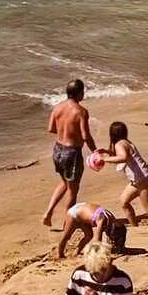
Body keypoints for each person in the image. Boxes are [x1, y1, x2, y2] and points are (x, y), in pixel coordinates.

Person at [43, 80, 98, 228]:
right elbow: (86, 136)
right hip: (72, 152)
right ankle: (68, 223)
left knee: (64, 183)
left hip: (58, 150)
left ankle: (48, 213)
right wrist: (96, 151)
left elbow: (51, 129)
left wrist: (64, 131)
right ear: (79, 93)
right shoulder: (81, 111)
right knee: (73, 191)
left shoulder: (58, 108)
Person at [64, 240, 133, 295]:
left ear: (110, 262)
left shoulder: (123, 282)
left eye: (103, 269)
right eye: (94, 272)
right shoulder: (79, 274)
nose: (100, 274)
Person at [57, 204, 123, 259]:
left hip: (83, 210)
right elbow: (97, 240)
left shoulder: (112, 219)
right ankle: (60, 254)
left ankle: (76, 252)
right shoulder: (102, 220)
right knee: (66, 236)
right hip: (74, 213)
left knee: (89, 235)